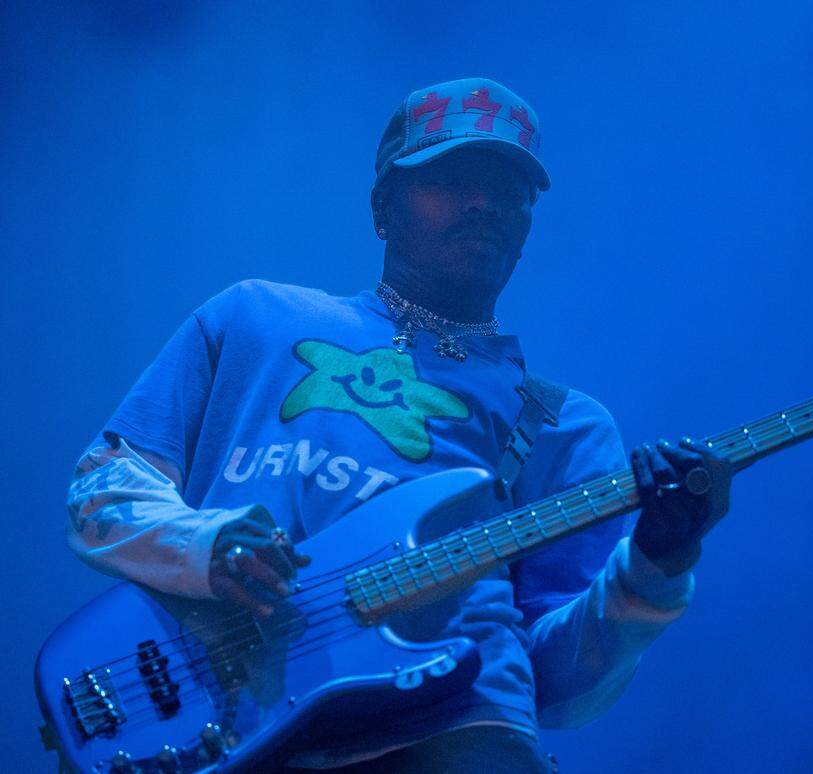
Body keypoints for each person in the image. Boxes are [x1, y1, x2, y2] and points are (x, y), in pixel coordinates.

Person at [66, 77, 735, 772]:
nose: (484, 204)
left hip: (458, 736)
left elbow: (565, 692)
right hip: (228, 720)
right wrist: (202, 544)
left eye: (509, 191)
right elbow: (101, 490)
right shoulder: (254, 318)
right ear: (383, 206)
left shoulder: (566, 424)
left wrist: (655, 567)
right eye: (453, 178)